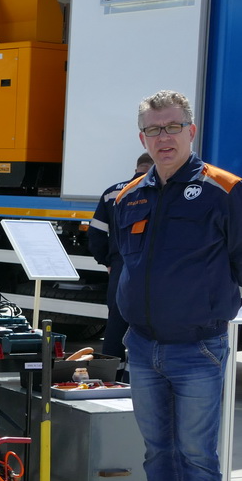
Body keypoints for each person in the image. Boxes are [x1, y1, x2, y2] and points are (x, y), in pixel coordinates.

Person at [111, 90, 242, 481]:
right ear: (142, 137)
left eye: (173, 126)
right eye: (154, 130)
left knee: (197, 456)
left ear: (191, 130)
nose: (164, 137)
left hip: (197, 349)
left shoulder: (226, 189)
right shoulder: (129, 196)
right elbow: (125, 263)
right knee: (157, 453)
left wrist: (215, 308)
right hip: (143, 348)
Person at [88, 153, 152, 362]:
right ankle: (139, 372)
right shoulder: (161, 190)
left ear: (136, 168)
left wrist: (107, 261)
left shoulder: (112, 193)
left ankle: (110, 372)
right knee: (148, 324)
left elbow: (95, 234)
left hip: (120, 265)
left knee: (116, 323)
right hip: (152, 266)